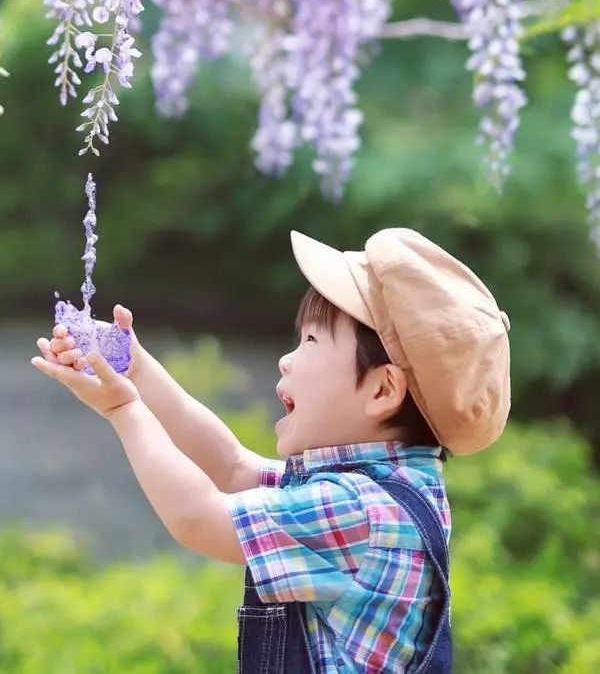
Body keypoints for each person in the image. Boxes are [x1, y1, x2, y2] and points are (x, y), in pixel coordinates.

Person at [32, 227, 511, 672]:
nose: (286, 358)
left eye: (309, 340)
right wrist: (135, 367)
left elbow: (198, 517)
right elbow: (231, 464)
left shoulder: (361, 511)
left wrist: (125, 410)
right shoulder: (381, 492)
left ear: (383, 391)